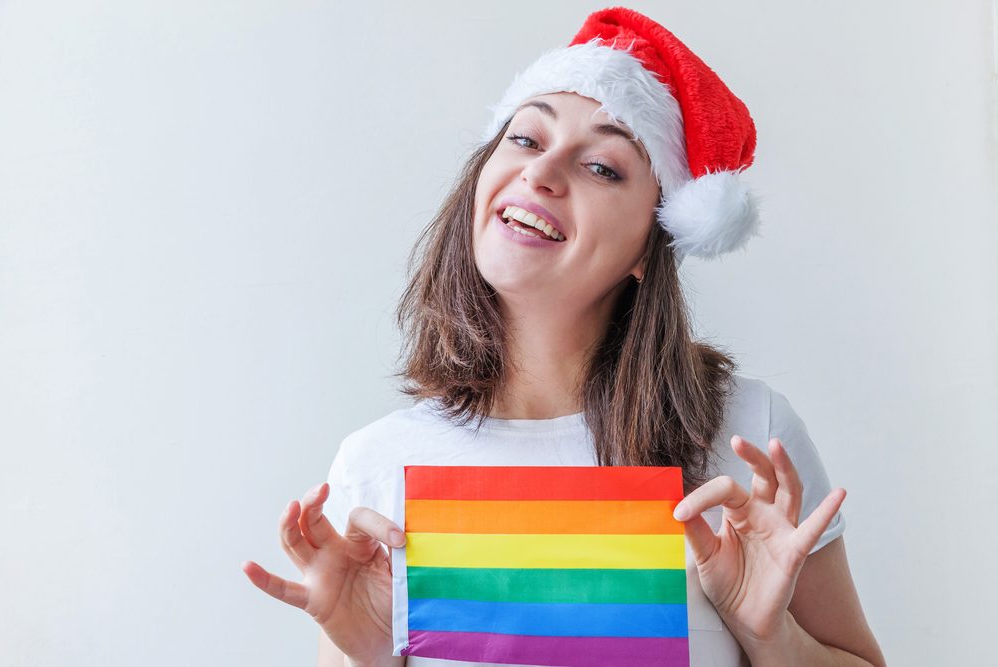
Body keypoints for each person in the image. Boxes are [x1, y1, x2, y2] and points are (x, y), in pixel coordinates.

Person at [242, 7, 885, 667]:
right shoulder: (376, 465)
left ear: (650, 245)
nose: (542, 173)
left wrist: (772, 638)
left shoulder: (747, 435)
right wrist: (371, 656)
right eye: (524, 138)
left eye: (602, 166)